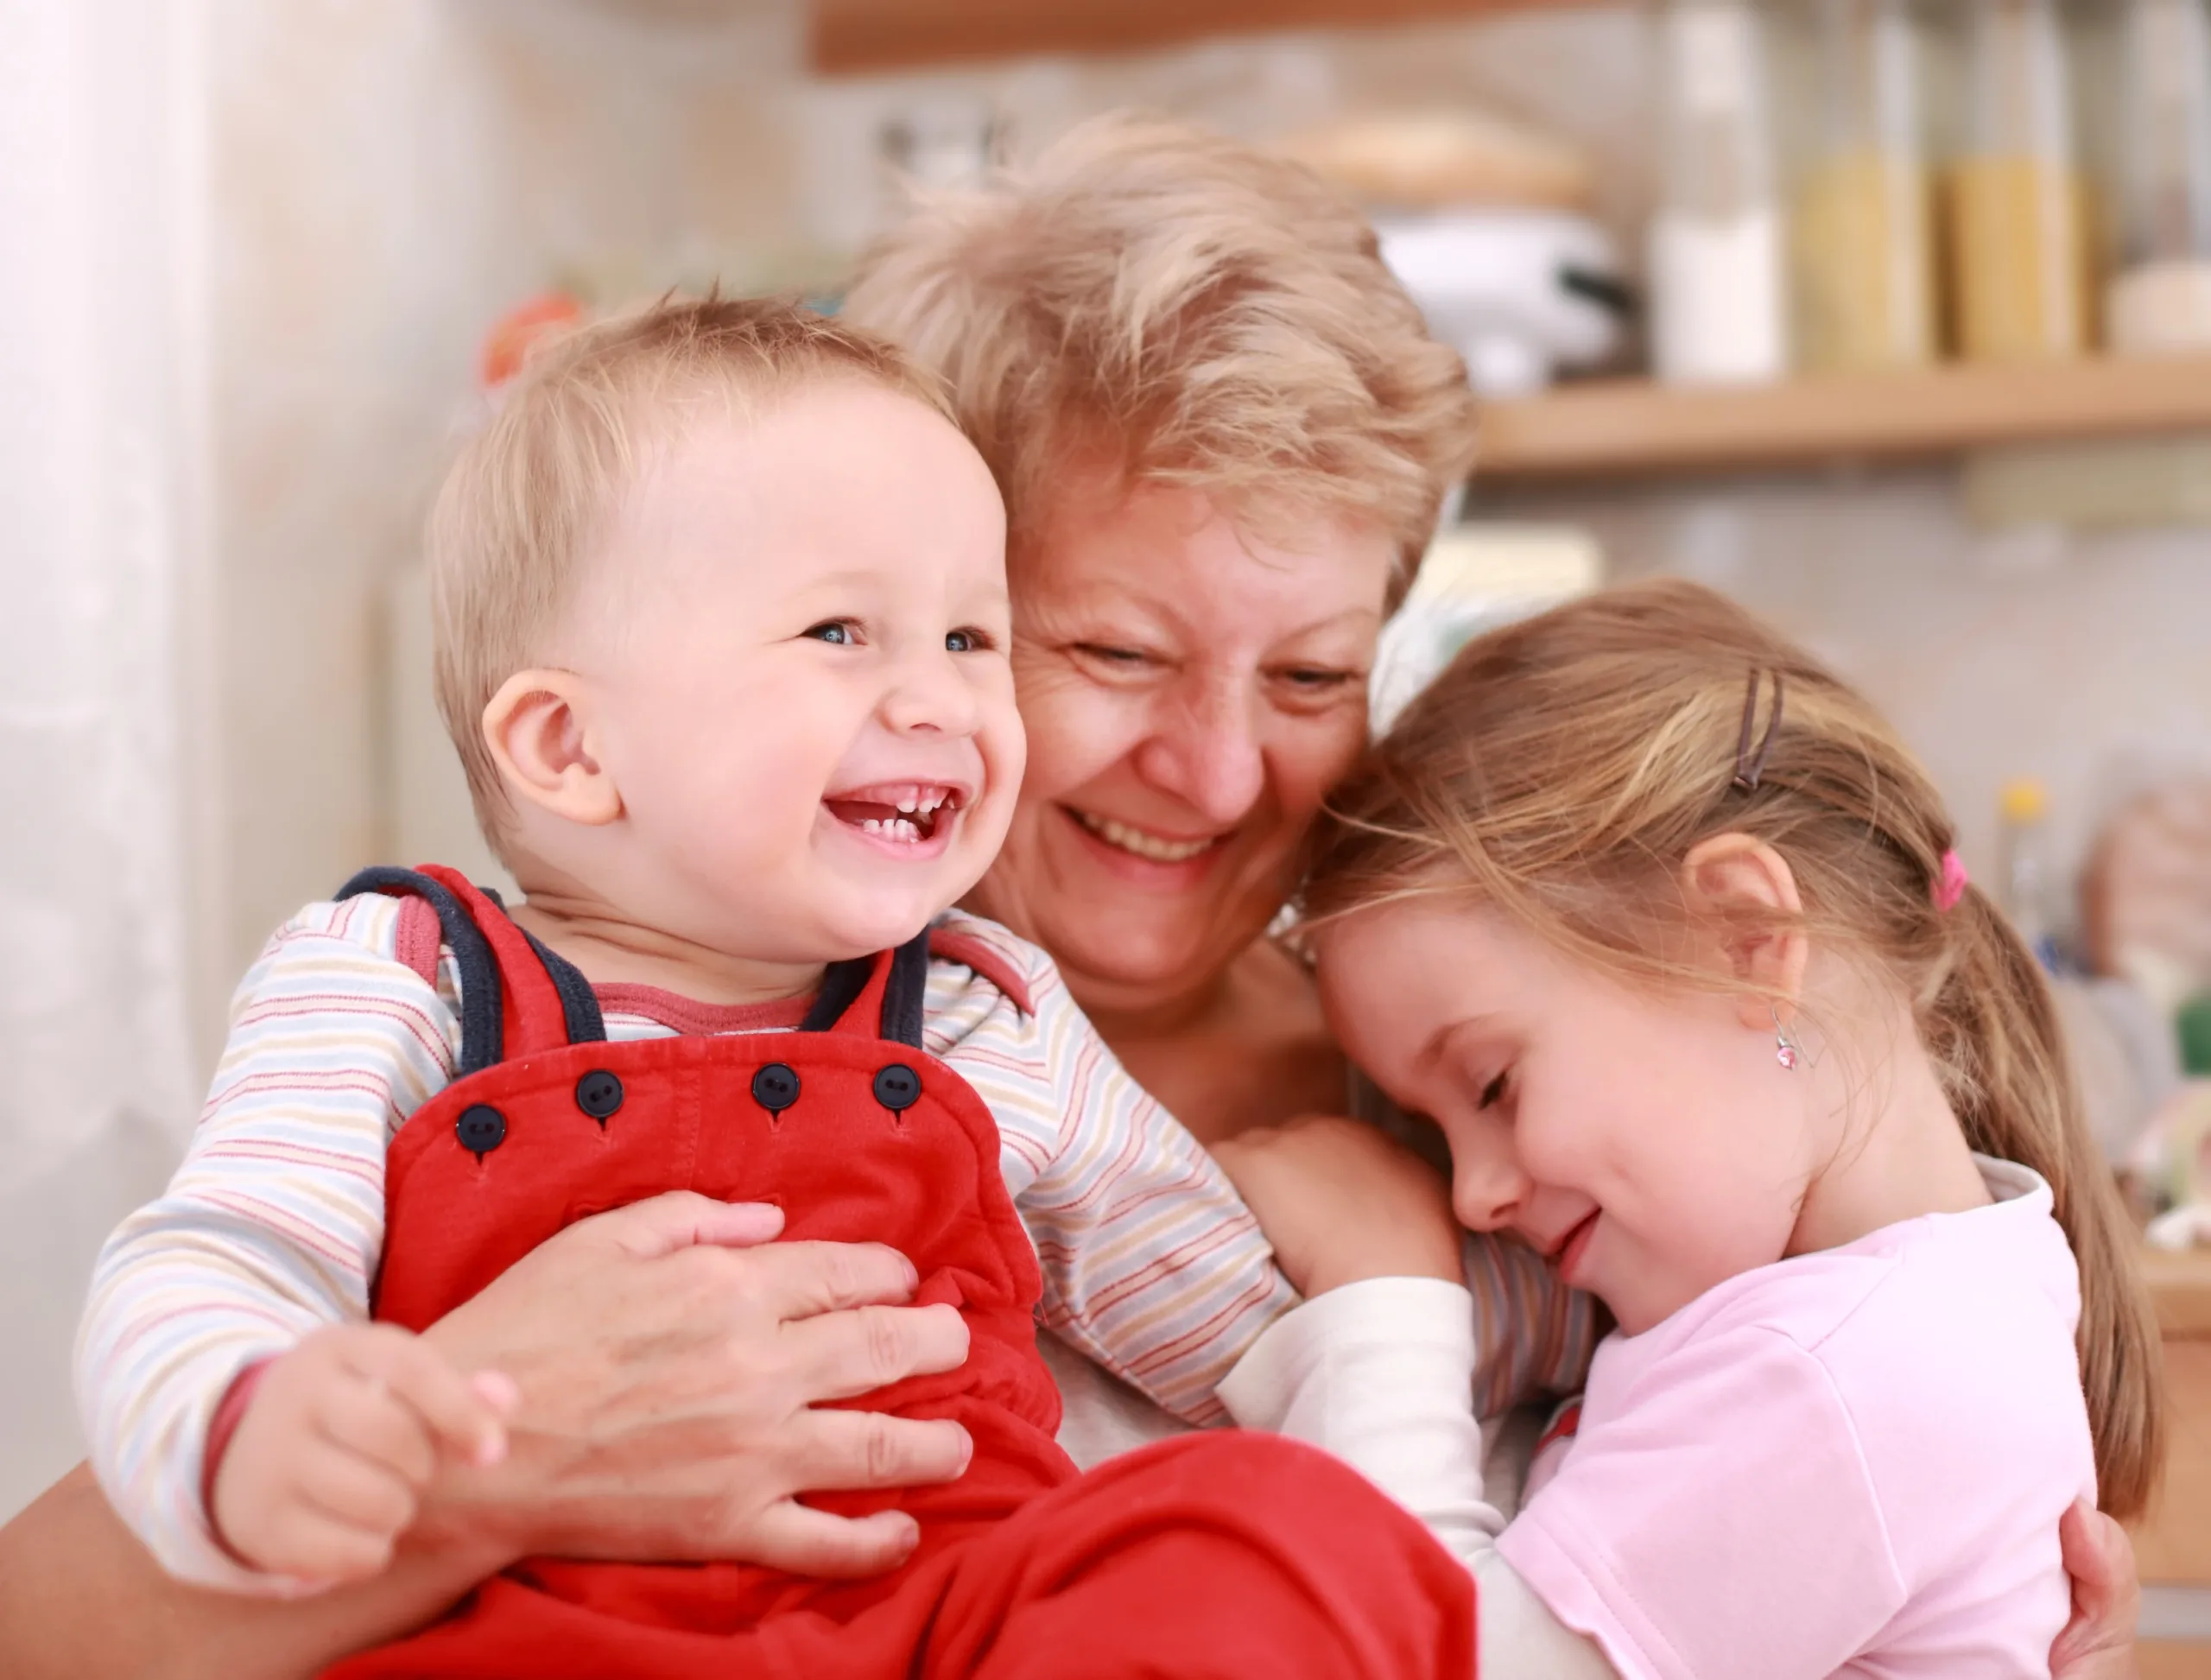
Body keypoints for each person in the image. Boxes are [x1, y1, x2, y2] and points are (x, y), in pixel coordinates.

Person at [0, 114, 2142, 1678]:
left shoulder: (1482, 1137)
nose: (1217, 769)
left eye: (1310, 674)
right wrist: (504, 1452)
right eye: (1108, 654)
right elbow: (53, 1625)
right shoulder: (537, 1022)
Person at [67, 294, 1486, 1680]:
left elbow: (1235, 1317)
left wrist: (1557, 1284)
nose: (935, 699)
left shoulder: (986, 1011)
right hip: (545, 1639)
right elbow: (225, 1254)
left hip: (947, 1626)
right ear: (570, 745)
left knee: (1265, 1528)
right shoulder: (398, 983)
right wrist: (246, 1425)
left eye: (966, 638)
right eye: (838, 635)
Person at [1213, 579, 2166, 1676]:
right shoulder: (1917, 1303)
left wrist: (1378, 1294)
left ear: (1747, 934)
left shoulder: (1835, 1375)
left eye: (1490, 1087)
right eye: (1437, 1139)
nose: (1473, 1195)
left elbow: (1439, 1662)